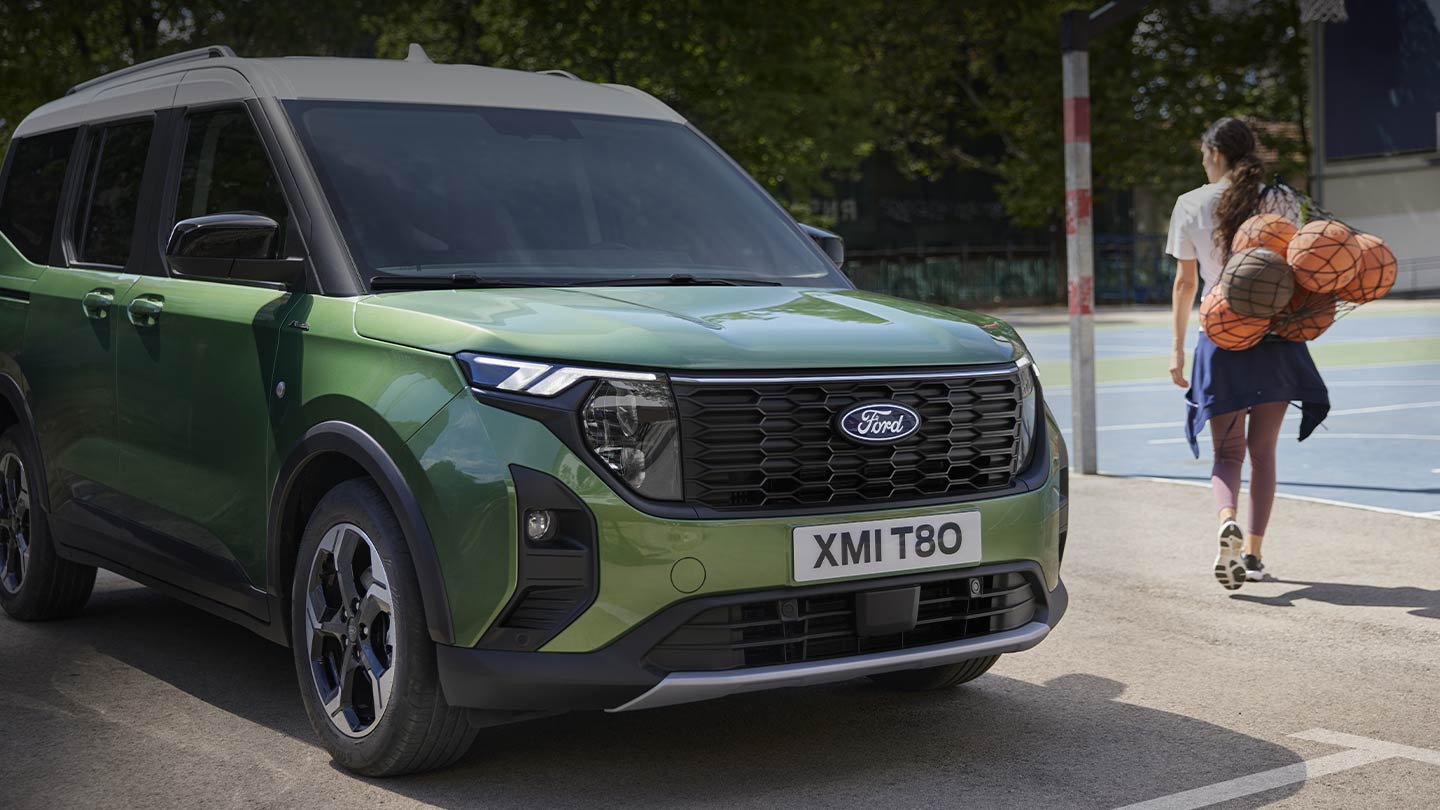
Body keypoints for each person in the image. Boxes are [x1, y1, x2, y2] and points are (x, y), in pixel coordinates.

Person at [1164, 117, 1330, 591]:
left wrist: (1178, 350)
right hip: (1278, 333)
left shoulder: (1190, 204)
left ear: (1214, 154)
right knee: (1263, 452)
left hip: (1222, 334)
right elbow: (1300, 267)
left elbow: (1185, 284)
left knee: (1228, 452)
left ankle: (1226, 521)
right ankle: (1254, 556)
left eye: (1202, 154)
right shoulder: (1281, 198)